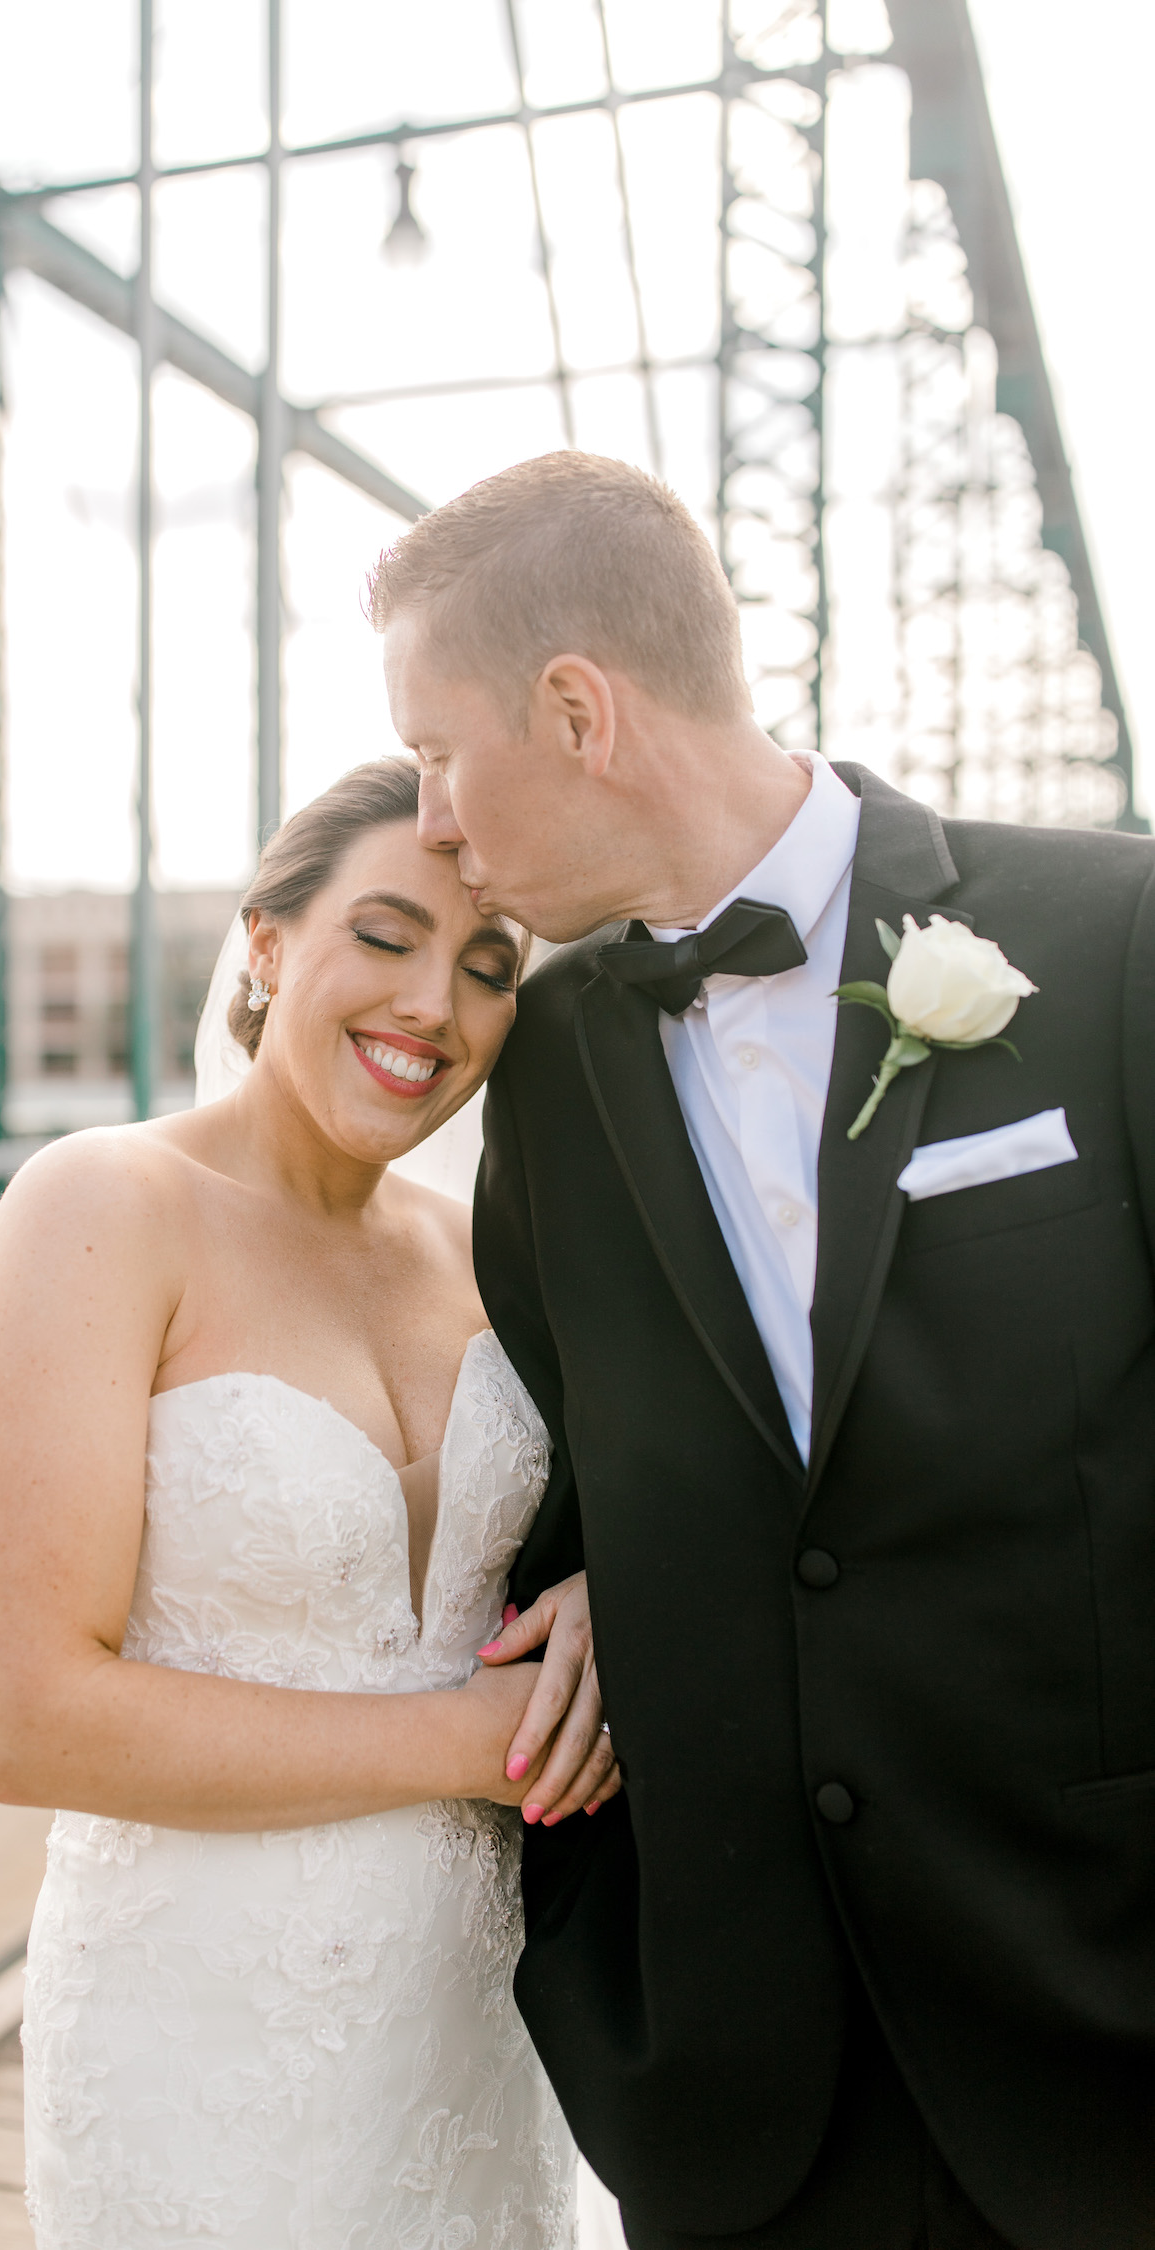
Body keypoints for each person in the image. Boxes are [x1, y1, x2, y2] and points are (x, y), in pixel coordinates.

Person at [372, 448, 1155, 2250]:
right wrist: (593, 1589)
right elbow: (577, 1455)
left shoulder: (1112, 940)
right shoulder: (549, 1071)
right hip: (742, 2085)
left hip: (1106, 2018)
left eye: (437, 752)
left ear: (577, 709)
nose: (431, 820)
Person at [0, 757, 619, 2249]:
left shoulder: (485, 1253)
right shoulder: (102, 1208)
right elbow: (28, 1718)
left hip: (472, 2030)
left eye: (486, 963)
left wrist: (602, 1599)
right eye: (384, 936)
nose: (434, 1003)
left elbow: (590, 1526)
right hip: (202, 2036)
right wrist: (468, 1738)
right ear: (266, 940)